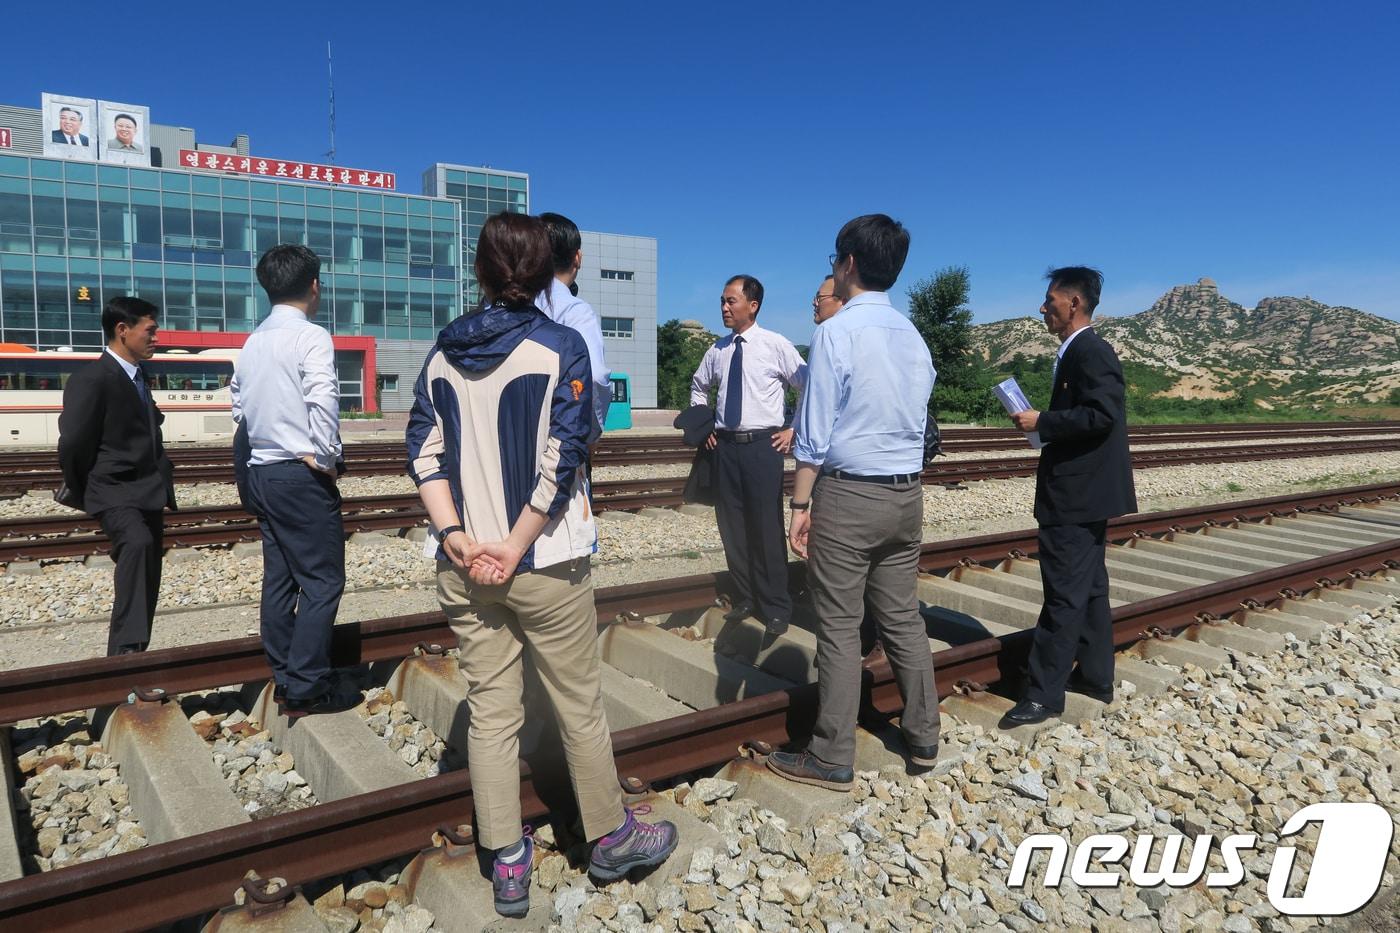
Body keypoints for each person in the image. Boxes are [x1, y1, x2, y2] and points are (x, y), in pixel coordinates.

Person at [406, 212, 677, 919]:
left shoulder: (442, 352)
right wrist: (516, 542)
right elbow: (564, 454)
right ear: (545, 267)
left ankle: (507, 858)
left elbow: (422, 452)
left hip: (464, 566)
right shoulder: (559, 346)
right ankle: (611, 835)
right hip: (544, 561)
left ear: (482, 271)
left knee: (491, 712)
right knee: (577, 703)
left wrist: (459, 535)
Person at [767, 214, 941, 791]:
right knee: (903, 619)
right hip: (905, 494)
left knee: (839, 626)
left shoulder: (836, 333)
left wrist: (800, 507)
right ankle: (923, 736)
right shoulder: (912, 336)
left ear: (846, 264)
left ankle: (831, 755)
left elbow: (813, 435)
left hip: (849, 495)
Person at [1003, 267, 1137, 724]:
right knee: (1091, 588)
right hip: (1086, 493)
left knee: (1063, 592)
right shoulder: (1077, 351)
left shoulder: (1091, 351)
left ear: (1073, 303)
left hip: (1077, 495)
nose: (1044, 308)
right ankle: (1097, 677)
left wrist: (1042, 421)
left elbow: (1102, 414)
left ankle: (1044, 694)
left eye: (1050, 300)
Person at [231, 245, 356, 718]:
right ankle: (307, 685)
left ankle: (285, 675)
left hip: (261, 471)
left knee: (281, 579)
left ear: (267, 287)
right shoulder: (310, 337)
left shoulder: (252, 343)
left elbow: (239, 410)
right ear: (314, 286)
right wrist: (325, 456)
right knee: (323, 581)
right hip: (298, 473)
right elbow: (323, 400)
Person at [57, 296, 176, 655]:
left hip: (149, 490)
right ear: (122, 331)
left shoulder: (140, 376)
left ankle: (134, 652)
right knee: (137, 545)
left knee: (148, 568)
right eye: (150, 330)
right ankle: (123, 657)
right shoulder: (92, 378)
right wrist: (84, 489)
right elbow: (74, 443)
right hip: (112, 489)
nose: (157, 337)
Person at [689, 275, 805, 635]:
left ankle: (776, 606)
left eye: (731, 301)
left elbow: (808, 384)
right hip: (725, 448)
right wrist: (704, 426)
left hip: (761, 448)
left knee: (766, 528)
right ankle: (747, 597)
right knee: (732, 527)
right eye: (722, 301)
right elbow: (698, 387)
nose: (724, 308)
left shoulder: (775, 345)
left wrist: (794, 428)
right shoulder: (718, 350)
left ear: (752, 305)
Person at [536, 212, 611, 441]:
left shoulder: (509, 304)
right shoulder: (574, 311)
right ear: (577, 257)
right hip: (558, 440)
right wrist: (589, 436)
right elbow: (595, 377)